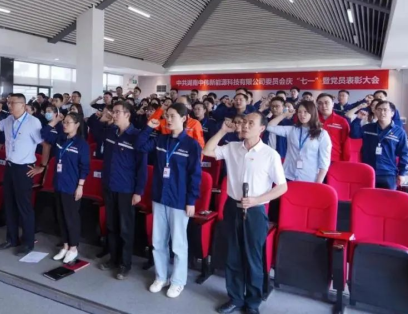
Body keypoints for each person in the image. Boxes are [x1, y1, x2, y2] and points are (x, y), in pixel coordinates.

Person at [203, 113, 287, 314]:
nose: (246, 126)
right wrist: (223, 131)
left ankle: (252, 303)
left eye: (251, 123)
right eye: (244, 122)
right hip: (232, 207)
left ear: (261, 129)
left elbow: (282, 187)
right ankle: (235, 298)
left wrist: (257, 200)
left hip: (255, 210)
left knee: (253, 258)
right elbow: (207, 150)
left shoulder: (270, 154)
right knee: (232, 255)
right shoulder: (232, 147)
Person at [137, 103, 202, 299]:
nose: (168, 119)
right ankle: (161, 276)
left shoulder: (191, 145)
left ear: (184, 118)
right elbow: (139, 146)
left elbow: (195, 175)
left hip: (179, 200)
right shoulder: (161, 139)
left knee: (178, 244)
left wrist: (191, 201)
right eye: (167, 116)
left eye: (172, 115)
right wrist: (149, 127)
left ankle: (178, 281)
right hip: (159, 196)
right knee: (158, 241)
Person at [0, 94, 48, 255]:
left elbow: (45, 144)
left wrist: (42, 166)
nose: (9, 105)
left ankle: (28, 242)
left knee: (24, 206)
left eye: (12, 103)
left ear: (22, 105)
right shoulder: (8, 120)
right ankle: (12, 239)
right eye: (8, 103)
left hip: (24, 168)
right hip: (10, 166)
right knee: (9, 204)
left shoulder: (33, 122)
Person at [98, 101, 148, 280]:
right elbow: (95, 136)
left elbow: (142, 168)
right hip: (109, 185)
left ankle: (125, 264)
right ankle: (113, 258)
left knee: (126, 228)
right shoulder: (110, 132)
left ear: (127, 115)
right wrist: (103, 121)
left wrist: (138, 191)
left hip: (126, 188)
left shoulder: (137, 136)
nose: (114, 114)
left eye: (117, 112)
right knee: (111, 225)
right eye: (113, 111)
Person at [42, 112, 90, 264]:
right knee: (61, 217)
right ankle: (65, 245)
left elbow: (85, 167)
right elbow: (44, 133)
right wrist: (55, 120)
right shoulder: (60, 139)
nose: (65, 125)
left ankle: (73, 248)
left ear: (77, 125)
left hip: (72, 185)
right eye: (64, 122)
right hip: (59, 183)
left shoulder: (81, 144)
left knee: (71, 218)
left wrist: (80, 186)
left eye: (68, 122)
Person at [267, 101, 332, 183]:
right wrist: (284, 115)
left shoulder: (322, 134)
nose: (302, 114)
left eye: (305, 112)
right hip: (288, 175)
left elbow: (324, 162)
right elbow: (269, 127)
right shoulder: (292, 129)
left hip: (309, 177)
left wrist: (319, 182)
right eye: (299, 112)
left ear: (312, 113)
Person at [351, 101, 408, 190]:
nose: (382, 112)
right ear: (375, 111)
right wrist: (358, 119)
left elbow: (404, 154)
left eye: (385, 110)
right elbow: (354, 135)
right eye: (379, 109)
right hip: (368, 171)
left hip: (388, 173)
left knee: (388, 198)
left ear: (392, 113)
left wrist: (402, 173)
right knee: (367, 196)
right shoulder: (368, 128)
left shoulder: (399, 132)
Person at [316, 93, 350, 162]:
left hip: (334, 158)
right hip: (315, 158)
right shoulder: (312, 120)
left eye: (326, 103)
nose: (323, 106)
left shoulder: (341, 121)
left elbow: (346, 142)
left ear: (333, 104)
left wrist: (345, 161)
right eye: (320, 103)